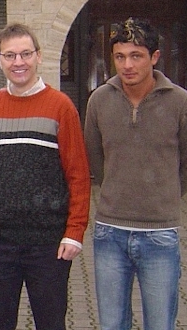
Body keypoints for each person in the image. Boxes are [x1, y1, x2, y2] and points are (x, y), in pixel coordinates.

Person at [0, 23, 91, 330]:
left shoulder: (61, 107)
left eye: (25, 53)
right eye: (10, 55)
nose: (18, 62)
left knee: (50, 323)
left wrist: (74, 232)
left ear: (38, 56)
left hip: (48, 243)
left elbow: (77, 174)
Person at [84, 17, 186, 330]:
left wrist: (162, 195)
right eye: (120, 57)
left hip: (160, 233)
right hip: (108, 233)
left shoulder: (180, 102)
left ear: (154, 57)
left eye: (136, 56)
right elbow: (95, 159)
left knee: (160, 324)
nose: (127, 65)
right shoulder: (99, 100)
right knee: (113, 324)